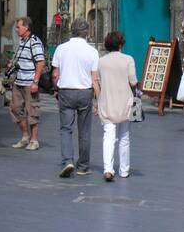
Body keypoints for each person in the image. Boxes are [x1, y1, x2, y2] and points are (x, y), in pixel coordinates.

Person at [53, 18, 99, 177]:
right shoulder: (92, 52)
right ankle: (83, 166)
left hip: (66, 90)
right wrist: (97, 100)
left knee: (66, 128)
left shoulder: (61, 48)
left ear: (72, 30)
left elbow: (55, 74)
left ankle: (68, 161)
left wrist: (55, 89)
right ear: (87, 33)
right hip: (85, 92)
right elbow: (94, 78)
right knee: (84, 130)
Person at [95, 30, 138, 180]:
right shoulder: (128, 59)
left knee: (109, 135)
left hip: (106, 101)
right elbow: (133, 82)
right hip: (125, 101)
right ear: (121, 44)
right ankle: (124, 170)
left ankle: (108, 169)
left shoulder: (101, 61)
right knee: (124, 137)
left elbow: (97, 81)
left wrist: (97, 99)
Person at [9, 17, 45, 150]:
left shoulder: (34, 42)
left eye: (18, 27)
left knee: (32, 111)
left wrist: (35, 82)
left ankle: (34, 140)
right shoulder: (22, 41)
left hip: (29, 82)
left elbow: (40, 62)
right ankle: (25, 137)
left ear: (26, 27)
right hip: (18, 81)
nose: (16, 29)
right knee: (15, 109)